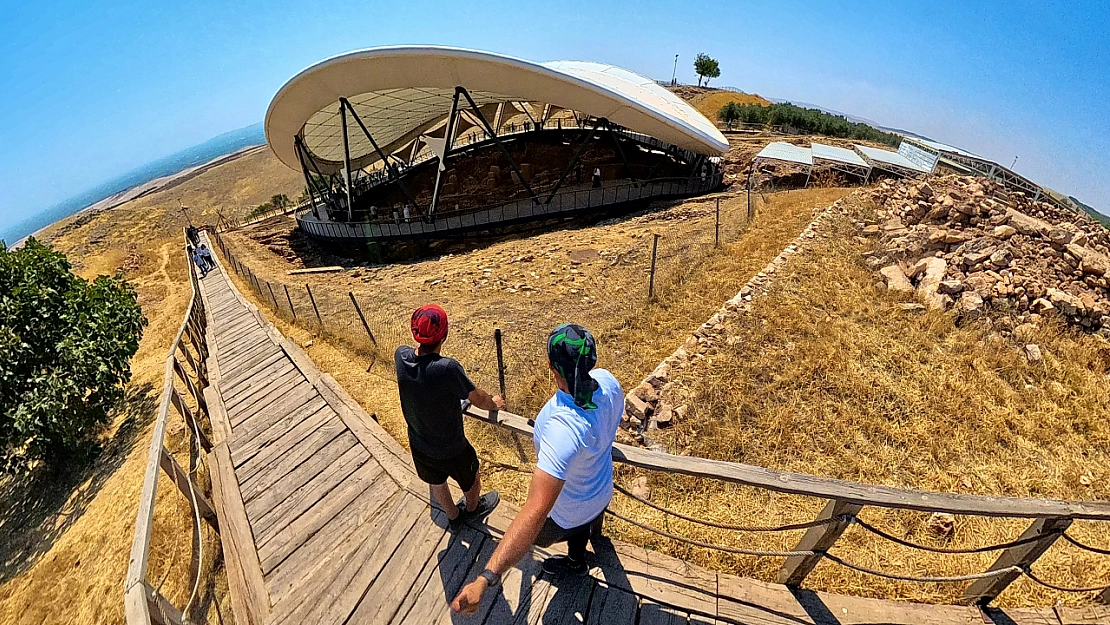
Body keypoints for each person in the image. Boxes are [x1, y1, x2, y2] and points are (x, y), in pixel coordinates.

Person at [451, 324, 624, 615]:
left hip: (567, 511)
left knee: (545, 534)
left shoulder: (563, 427)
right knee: (581, 525)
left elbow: (536, 511)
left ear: (551, 367)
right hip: (600, 492)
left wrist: (486, 578)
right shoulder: (609, 382)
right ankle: (576, 562)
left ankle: (573, 560)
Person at [395, 304, 504, 528]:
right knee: (471, 480)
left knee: (436, 480)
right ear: (444, 335)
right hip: (452, 447)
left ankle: (453, 517)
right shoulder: (446, 368)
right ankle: (473, 509)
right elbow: (476, 398)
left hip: (419, 442)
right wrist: (494, 403)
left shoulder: (400, 356)